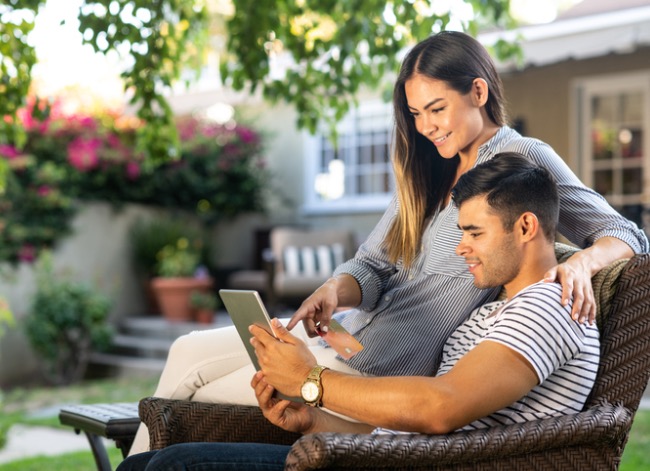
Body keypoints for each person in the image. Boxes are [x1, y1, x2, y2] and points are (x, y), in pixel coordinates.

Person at [127, 30, 648, 455]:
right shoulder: (429, 174)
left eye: (437, 109)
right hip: (343, 337)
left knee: (193, 395)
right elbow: (373, 265)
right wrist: (336, 289)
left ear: (479, 92)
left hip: (379, 368)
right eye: (416, 114)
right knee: (185, 349)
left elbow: (627, 234)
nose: (425, 128)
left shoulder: (524, 160)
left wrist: (585, 261)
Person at [118, 152, 601, 470]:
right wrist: (313, 420)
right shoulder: (495, 309)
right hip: (377, 454)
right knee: (143, 465)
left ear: (526, 226)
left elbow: (440, 408)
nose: (461, 249)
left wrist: (312, 381)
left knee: (170, 466)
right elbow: (409, 428)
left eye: (474, 233)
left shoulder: (551, 306)